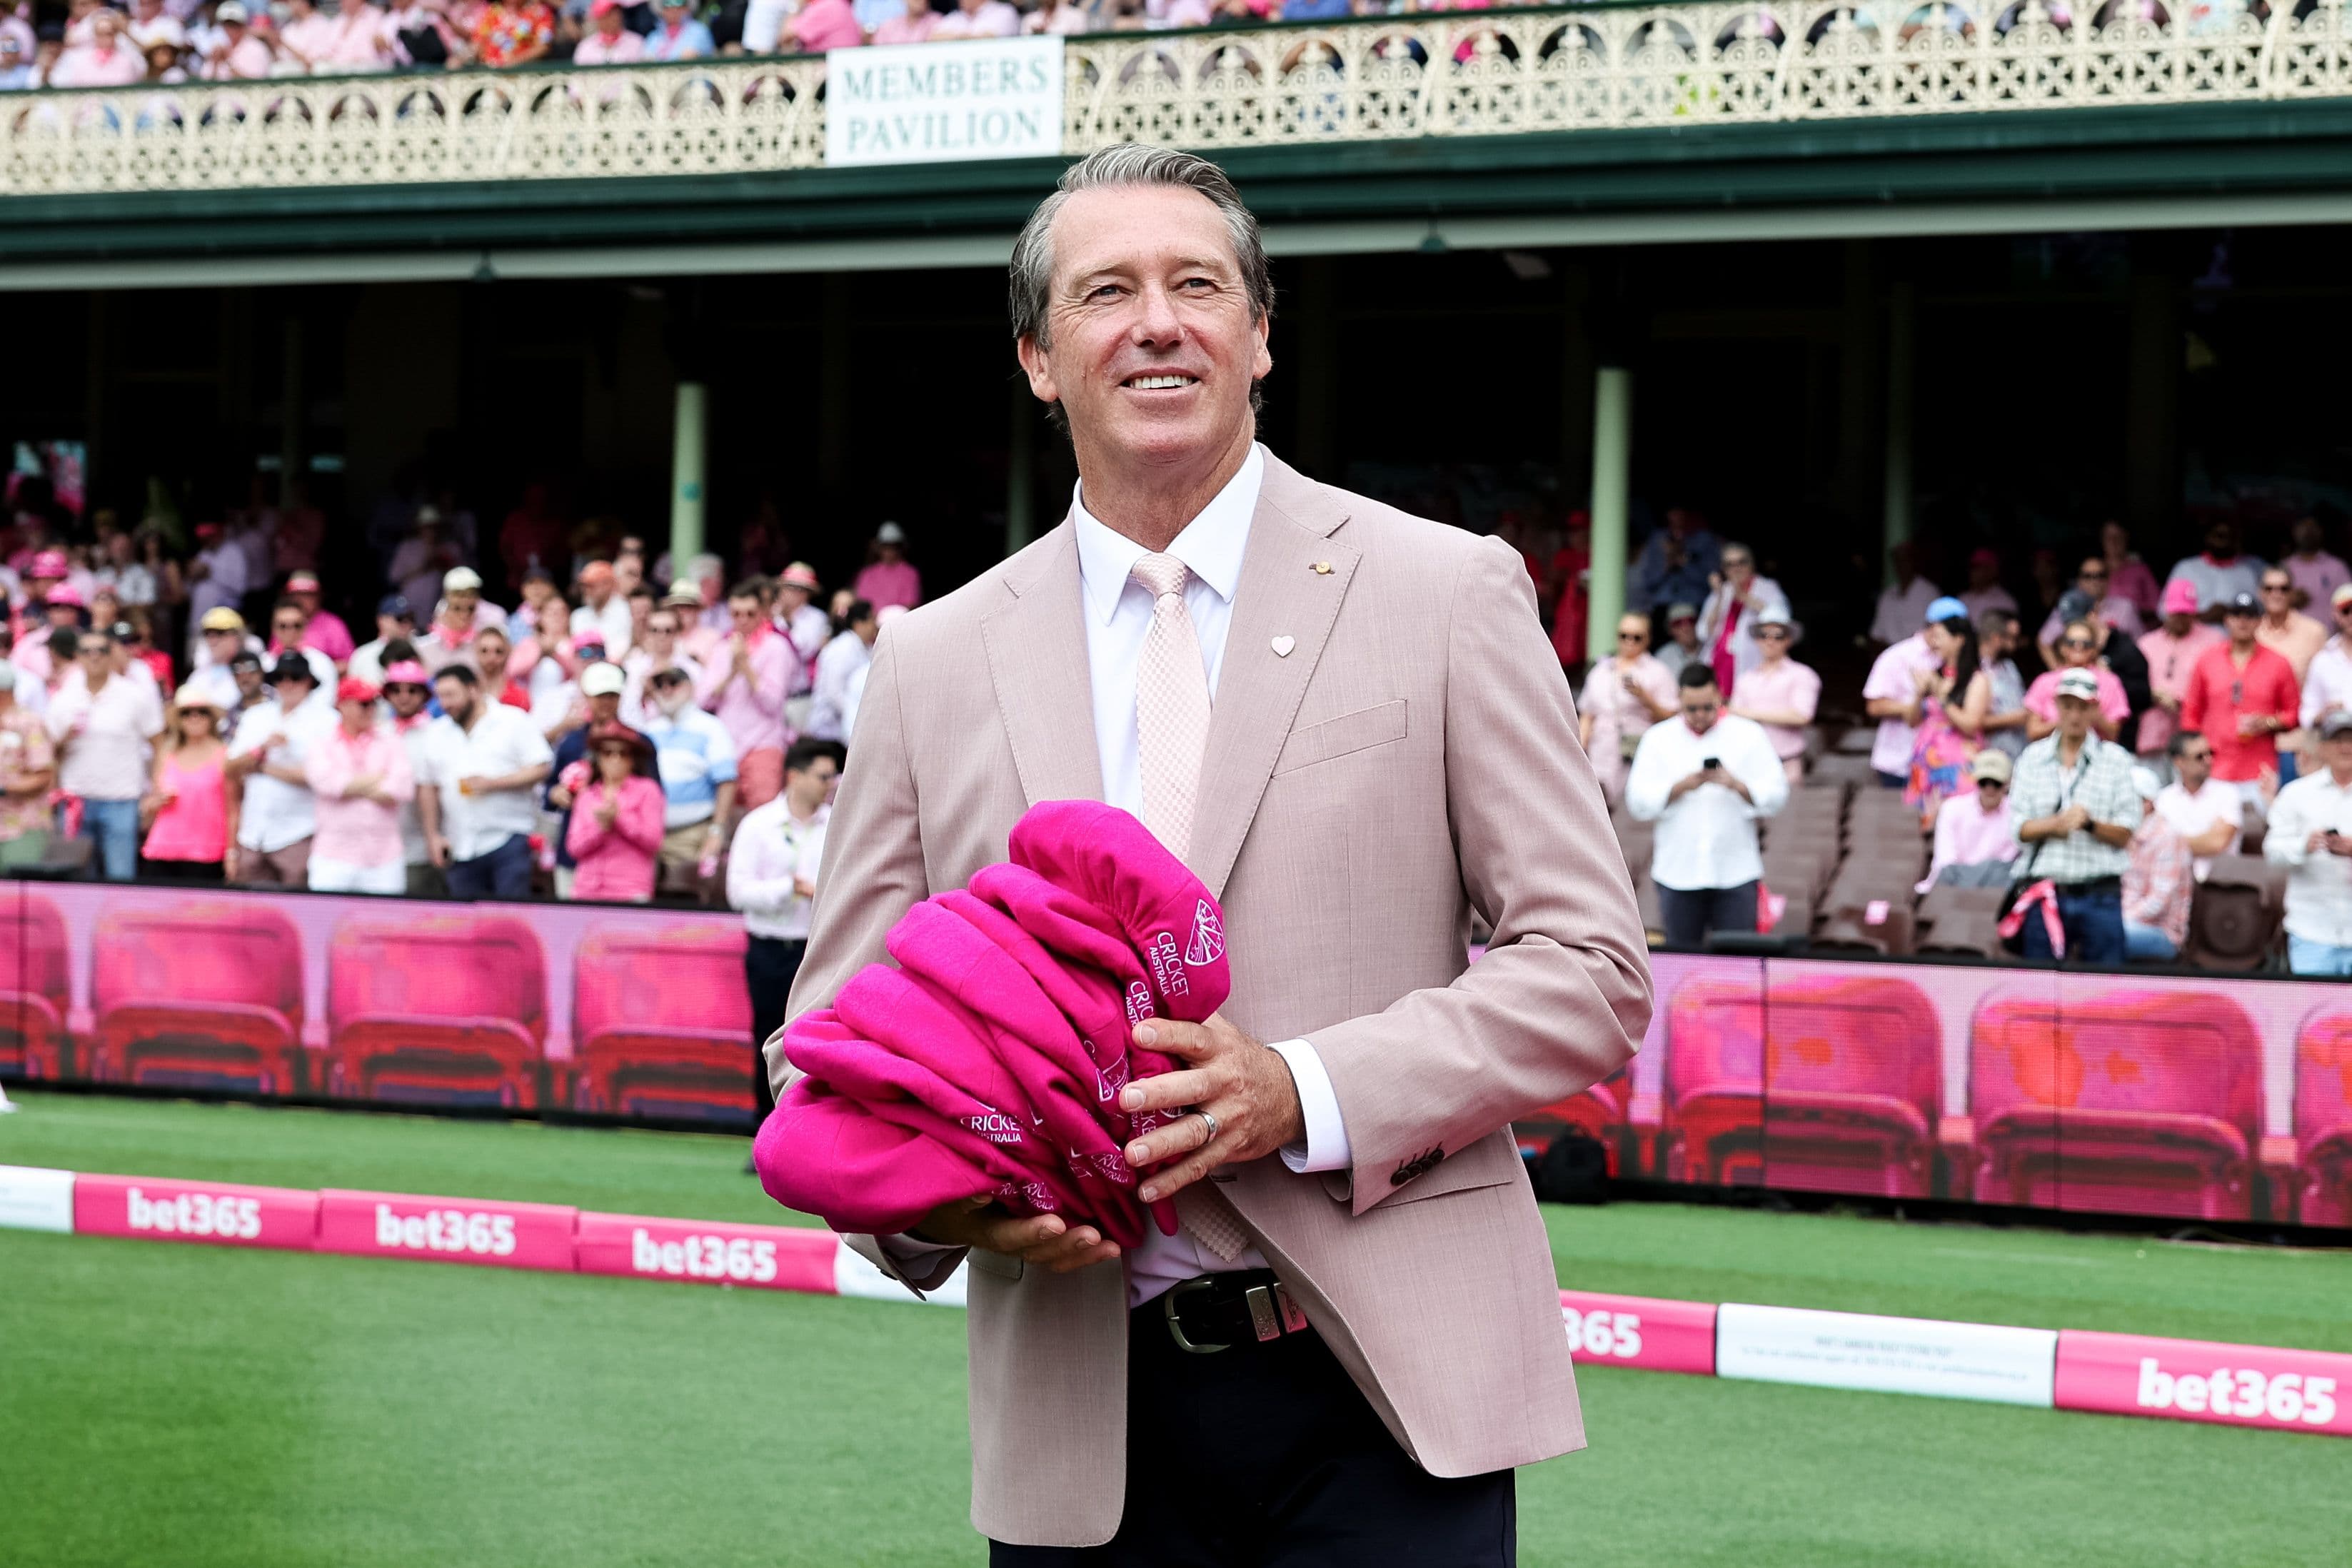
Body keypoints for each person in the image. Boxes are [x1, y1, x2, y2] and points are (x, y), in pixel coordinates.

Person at [780, 146, 1648, 1562]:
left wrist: (1300, 1091)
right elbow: (831, 1048)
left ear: (1259, 337)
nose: (1157, 321)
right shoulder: (934, 659)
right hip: (1083, 1419)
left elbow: (1590, 970)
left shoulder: (1443, 590)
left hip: (1386, 1401)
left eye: (1198, 285)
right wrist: (965, 1202)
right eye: (1105, 291)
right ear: (1038, 358)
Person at [1626, 663, 1788, 948]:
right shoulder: (1658, 739)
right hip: (1678, 872)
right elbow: (1637, 801)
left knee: (1740, 963)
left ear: (1719, 697)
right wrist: (1680, 788)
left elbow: (1777, 795)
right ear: (1679, 701)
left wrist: (1737, 785)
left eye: (1707, 707)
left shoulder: (1749, 734)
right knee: (1681, 960)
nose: (1700, 716)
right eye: (1692, 709)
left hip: (1736, 871)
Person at [728, 735, 840, 1126]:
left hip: (819, 949)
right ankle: (765, 1128)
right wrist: (786, 890)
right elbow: (738, 891)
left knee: (819, 1039)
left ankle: (812, 1129)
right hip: (769, 949)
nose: (830, 784)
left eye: (833, 776)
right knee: (767, 1037)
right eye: (823, 775)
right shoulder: (758, 825)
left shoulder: (838, 825)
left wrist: (817, 892)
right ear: (794, 775)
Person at [2006, 668, 2140, 965]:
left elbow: (2127, 831)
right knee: (2039, 990)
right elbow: (2018, 829)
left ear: (2095, 709)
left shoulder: (2116, 760)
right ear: (2056, 707)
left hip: (2100, 893)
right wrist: (2055, 825)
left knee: (2104, 992)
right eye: (2068, 706)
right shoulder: (2032, 758)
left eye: (2083, 707)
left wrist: (2090, 825)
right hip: (2046, 891)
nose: (2075, 715)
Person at [416, 664, 552, 900]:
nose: (445, 704)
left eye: (451, 695)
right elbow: (428, 786)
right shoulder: (436, 732)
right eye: (440, 696)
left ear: (473, 690)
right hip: (460, 845)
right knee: (469, 928)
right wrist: (433, 836)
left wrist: (495, 783)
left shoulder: (513, 720)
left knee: (510, 921)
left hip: (508, 839)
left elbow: (542, 767)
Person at [49, 627, 166, 881]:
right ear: (77, 657)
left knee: (120, 878)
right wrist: (63, 740)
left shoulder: (134, 696)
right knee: (76, 880)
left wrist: (156, 788)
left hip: (121, 800)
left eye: (101, 651)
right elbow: (49, 755)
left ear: (111, 655)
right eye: (87, 651)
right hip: (76, 801)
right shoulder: (64, 699)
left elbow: (160, 743)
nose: (94, 657)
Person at [2180, 590, 2298, 811]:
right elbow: (2191, 713)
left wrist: (2269, 722)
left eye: (2249, 616)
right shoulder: (2207, 660)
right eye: (2237, 615)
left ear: (2259, 621)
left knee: (2259, 837)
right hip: (2214, 768)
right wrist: (2195, 758)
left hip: (2259, 769)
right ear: (2227, 620)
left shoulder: (2278, 663)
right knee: (2213, 836)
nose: (2243, 622)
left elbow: (2294, 714)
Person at [226, 654, 331, 886]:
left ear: (308, 682)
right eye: (281, 678)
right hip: (252, 835)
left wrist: (262, 768)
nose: (288, 684)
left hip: (298, 833)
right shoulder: (256, 716)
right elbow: (229, 768)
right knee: (251, 916)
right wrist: (261, 749)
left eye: (295, 678)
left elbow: (320, 777)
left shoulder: (328, 720)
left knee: (297, 913)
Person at [303, 677, 414, 895]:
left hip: (383, 857)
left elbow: (402, 788)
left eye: (373, 703)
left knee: (385, 925)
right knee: (327, 924)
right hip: (334, 855)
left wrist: (349, 785)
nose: (370, 710)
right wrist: (379, 778)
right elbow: (327, 783)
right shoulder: (322, 743)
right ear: (343, 705)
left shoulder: (391, 741)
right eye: (364, 704)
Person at [2264, 710, 2352, 975]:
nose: (2345, 747)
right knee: (2315, 1015)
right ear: (2322, 747)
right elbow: (2272, 850)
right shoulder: (2296, 794)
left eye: (2351, 740)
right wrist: (2304, 845)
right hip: (2312, 929)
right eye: (2338, 740)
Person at [642, 663, 737, 883]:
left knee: (684, 899)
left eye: (673, 683)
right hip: (651, 835)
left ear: (690, 687)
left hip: (692, 834)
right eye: (659, 684)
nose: (666, 690)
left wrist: (716, 832)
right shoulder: (650, 730)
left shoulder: (711, 727)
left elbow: (727, 782)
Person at [1576, 612, 1674, 803]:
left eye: (1637, 637)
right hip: (1601, 753)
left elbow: (1671, 718)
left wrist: (1644, 698)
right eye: (1624, 636)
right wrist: (1579, 750)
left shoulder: (1658, 671)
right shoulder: (1601, 670)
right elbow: (1588, 715)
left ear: (1648, 639)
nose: (1630, 641)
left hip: (1639, 754)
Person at [1904, 605, 1989, 827]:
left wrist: (1941, 696)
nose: (1935, 643)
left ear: (1959, 640)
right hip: (1926, 759)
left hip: (1957, 763)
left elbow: (1971, 725)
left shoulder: (1976, 680)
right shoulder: (1934, 676)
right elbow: (1912, 721)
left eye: (1940, 636)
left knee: (1956, 822)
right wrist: (1919, 694)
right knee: (1926, 823)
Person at [139, 686, 233, 882]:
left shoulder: (225, 755)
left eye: (202, 712)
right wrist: (156, 803)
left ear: (211, 718)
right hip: (163, 848)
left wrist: (232, 852)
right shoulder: (167, 755)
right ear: (179, 720)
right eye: (187, 713)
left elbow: (233, 809)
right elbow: (150, 806)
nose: (195, 718)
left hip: (207, 852)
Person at [564, 721, 665, 903]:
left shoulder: (648, 791)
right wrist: (601, 829)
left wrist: (619, 820)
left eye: (623, 753)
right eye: (608, 753)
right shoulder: (587, 795)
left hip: (629, 889)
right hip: (587, 890)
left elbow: (654, 841)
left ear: (632, 759)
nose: (615, 759)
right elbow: (573, 847)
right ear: (599, 758)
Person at [1861, 595, 1954, 788]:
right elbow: (1874, 706)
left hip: (1945, 763)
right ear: (1934, 627)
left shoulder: (1960, 661)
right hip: (1899, 761)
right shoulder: (1896, 656)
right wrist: (1922, 705)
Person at [2136, 578, 2224, 772]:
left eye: (2185, 613)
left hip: (2194, 738)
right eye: (2176, 613)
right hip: (2153, 735)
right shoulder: (2146, 644)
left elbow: (2220, 686)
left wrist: (2183, 700)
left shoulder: (2213, 641)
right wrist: (2154, 694)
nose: (2180, 618)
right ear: (2166, 610)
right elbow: (2133, 686)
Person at [1726, 601, 1818, 785]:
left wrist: (1751, 714)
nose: (1770, 640)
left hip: (1787, 763)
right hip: (1749, 765)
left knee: (1792, 812)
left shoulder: (1803, 675)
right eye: (1764, 634)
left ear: (1788, 640)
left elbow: (1802, 716)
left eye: (1778, 636)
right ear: (1757, 639)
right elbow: (1734, 719)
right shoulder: (1746, 678)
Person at [381, 660, 443, 898]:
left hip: (426, 847)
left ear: (425, 695)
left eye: (412, 690)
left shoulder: (438, 733)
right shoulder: (380, 732)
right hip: (385, 847)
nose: (404, 697)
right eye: (396, 690)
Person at [1919, 750, 2020, 893]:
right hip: (1951, 884)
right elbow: (1945, 861)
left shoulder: (2017, 814)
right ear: (1976, 781)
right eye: (1984, 782)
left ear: (2007, 784)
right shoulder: (1952, 808)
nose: (1989, 788)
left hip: (1993, 889)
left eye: (1996, 783)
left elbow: (2005, 866)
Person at [2121, 765, 2193, 963]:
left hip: (2161, 933)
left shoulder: (2168, 837)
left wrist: (2115, 920)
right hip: (2125, 921)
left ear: (2147, 803)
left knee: (2106, 935)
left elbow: (2159, 903)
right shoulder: (2123, 833)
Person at [1693, 541, 1781, 698]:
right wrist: (1719, 596)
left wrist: (1743, 596)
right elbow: (1704, 633)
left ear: (1752, 564)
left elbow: (1779, 619)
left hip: (1751, 665)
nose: (1736, 568)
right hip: (1718, 666)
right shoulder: (1722, 591)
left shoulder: (1767, 587)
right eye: (1730, 565)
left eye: (1742, 562)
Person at [2024, 617, 2130, 743]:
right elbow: (2032, 732)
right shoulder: (2044, 682)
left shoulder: (2110, 682)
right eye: (2071, 642)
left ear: (2094, 649)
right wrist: (2066, 719)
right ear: (2062, 647)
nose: (2078, 646)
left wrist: (2093, 714)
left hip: (2098, 757)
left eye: (2086, 643)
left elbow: (2114, 734)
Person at [2152, 730, 2241, 878]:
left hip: (2221, 886)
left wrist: (2171, 843)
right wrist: (2203, 840)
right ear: (2179, 762)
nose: (2208, 760)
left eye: (2210, 753)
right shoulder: (2164, 799)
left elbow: (2217, 843)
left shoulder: (2228, 793)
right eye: (2199, 756)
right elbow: (2155, 845)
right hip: (2174, 883)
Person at [2036, 556, 2143, 663]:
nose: (2094, 581)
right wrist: (2059, 673)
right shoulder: (2069, 607)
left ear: (2108, 579)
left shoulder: (2125, 607)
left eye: (2100, 575)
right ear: (2079, 580)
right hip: (2079, 676)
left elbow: (2140, 645)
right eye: (2088, 576)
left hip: (2116, 672)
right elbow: (2044, 641)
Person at [0, 665, 55, 868]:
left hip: (21, 825)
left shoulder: (29, 722)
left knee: (15, 892)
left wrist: (4, 788)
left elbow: (43, 776)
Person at [804, 598, 875, 744]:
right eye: (871, 620)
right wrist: (857, 717)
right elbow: (834, 692)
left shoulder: (866, 648)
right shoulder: (842, 649)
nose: (874, 626)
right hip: (827, 731)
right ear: (858, 624)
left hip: (848, 728)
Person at [1629, 508, 1719, 620]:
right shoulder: (1658, 539)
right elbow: (1649, 581)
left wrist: (1684, 560)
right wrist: (1668, 563)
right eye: (1672, 512)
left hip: (1695, 604)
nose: (1676, 517)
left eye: (1680, 512)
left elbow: (1711, 580)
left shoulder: (1703, 539)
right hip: (1663, 606)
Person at [2165, 519, 2263, 615]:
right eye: (2219, 536)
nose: (2224, 541)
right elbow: (2165, 611)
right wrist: (2205, 616)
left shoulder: (2250, 570)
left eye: (2230, 536)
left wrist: (2231, 613)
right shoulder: (2186, 569)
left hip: (2240, 629)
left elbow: (2263, 609)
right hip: (2195, 630)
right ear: (2207, 537)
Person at [2255, 563, 2328, 683]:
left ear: (2292, 593)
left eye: (2284, 589)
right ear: (2260, 593)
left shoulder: (2315, 632)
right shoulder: (2252, 631)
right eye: (2269, 589)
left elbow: (2327, 679)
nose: (2276, 594)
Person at [1977, 608, 2031, 761]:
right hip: (1989, 756)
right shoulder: (1976, 669)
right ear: (1995, 638)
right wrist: (2014, 718)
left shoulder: (2009, 666)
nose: (2014, 645)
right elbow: (1973, 720)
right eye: (2010, 639)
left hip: (2017, 750)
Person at [1869, 542, 1941, 648]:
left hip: (1920, 658)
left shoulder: (1929, 593)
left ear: (1914, 561)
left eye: (1905, 560)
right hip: (1890, 656)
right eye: (1898, 561)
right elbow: (1876, 635)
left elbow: (1936, 634)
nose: (1902, 565)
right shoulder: (1887, 596)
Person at [2281, 513, 2349, 615]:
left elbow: (2349, 600)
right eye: (2304, 527)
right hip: (2292, 630)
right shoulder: (2285, 567)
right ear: (2295, 531)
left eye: (2312, 527)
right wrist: (2288, 599)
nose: (2308, 532)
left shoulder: (2337, 567)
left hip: (2330, 630)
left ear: (2321, 531)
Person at [852, 521, 923, 611]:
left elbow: (911, 603)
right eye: (885, 547)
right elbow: (861, 602)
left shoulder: (910, 573)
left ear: (900, 548)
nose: (889, 552)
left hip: (899, 620)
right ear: (879, 548)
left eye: (893, 547)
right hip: (871, 622)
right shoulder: (867, 574)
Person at [2101, 520, 2163, 623]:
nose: (2114, 542)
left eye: (2118, 537)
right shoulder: (2095, 571)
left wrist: (2130, 611)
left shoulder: (2140, 569)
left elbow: (2158, 606)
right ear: (2102, 540)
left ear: (2126, 539)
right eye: (2109, 538)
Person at [350, 593, 416, 688]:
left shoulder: (425, 650)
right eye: (400, 618)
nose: (406, 623)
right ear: (381, 621)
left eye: (410, 618)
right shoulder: (362, 655)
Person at [1957, 546, 2019, 622]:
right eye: (1973, 567)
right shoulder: (1963, 599)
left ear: (1993, 570)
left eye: (1981, 567)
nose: (1975, 572)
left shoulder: (2005, 601)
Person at [1654, 601, 1702, 678]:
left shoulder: (1712, 650)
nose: (1686, 628)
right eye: (1678, 623)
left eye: (1691, 621)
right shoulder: (1663, 656)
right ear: (1669, 629)